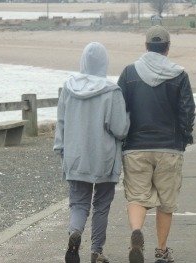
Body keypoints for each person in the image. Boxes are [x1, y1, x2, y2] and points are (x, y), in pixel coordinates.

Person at [118, 25, 196, 263]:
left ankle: (136, 232)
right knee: (166, 201)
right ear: (168, 48)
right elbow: (187, 111)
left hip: (135, 147)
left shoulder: (129, 73)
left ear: (146, 46)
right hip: (169, 148)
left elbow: (119, 109)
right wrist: (184, 137)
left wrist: (123, 137)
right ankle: (161, 251)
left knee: (137, 197)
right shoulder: (179, 74)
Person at [54, 42, 129, 263]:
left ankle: (75, 232)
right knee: (101, 205)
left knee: (78, 203)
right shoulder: (112, 91)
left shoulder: (68, 88)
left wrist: (61, 150)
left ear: (83, 61)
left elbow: (61, 123)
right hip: (103, 158)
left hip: (75, 156)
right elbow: (119, 129)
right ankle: (96, 251)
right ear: (104, 63)